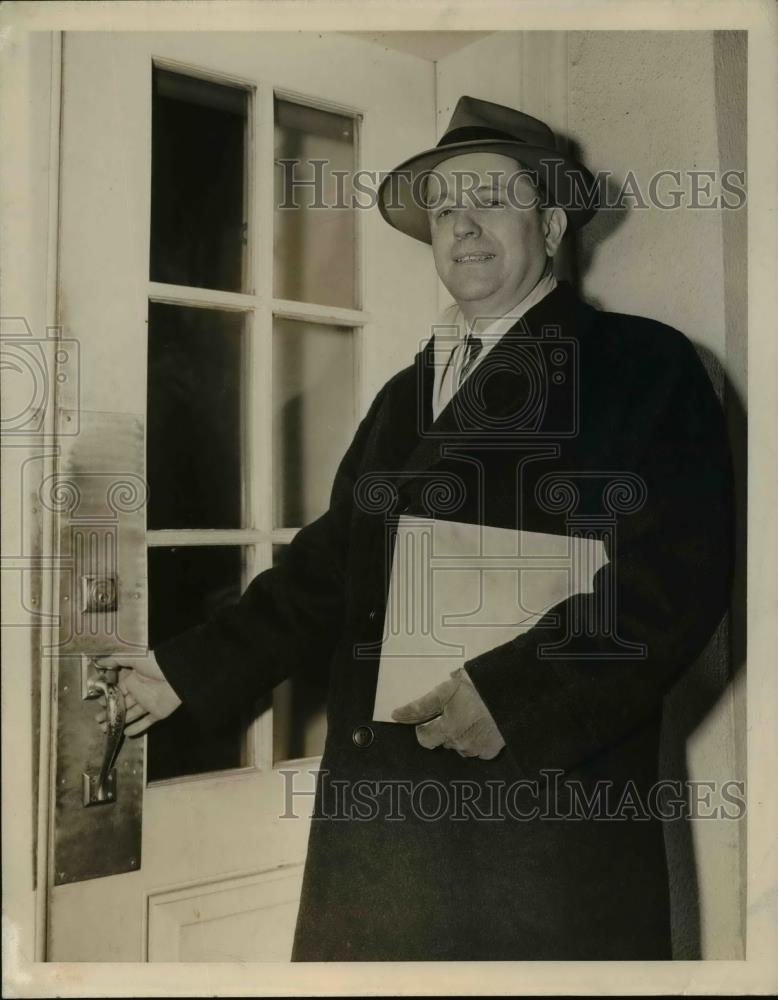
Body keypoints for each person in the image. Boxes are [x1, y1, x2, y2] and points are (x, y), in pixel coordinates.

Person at [97, 96, 733, 960]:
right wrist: (190, 668)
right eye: (442, 207)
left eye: (489, 199)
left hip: (538, 845)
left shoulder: (643, 367)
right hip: (381, 849)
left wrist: (513, 695)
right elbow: (331, 567)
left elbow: (671, 586)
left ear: (549, 223)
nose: (461, 225)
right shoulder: (408, 393)